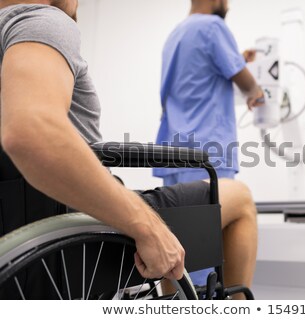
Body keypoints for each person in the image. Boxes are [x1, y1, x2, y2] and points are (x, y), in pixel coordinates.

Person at [0, 0, 257, 299]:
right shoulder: (42, 21)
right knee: (239, 199)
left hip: (18, 240)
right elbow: (32, 133)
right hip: (73, 248)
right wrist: (146, 225)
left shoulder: (177, 35)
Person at [154, 0, 265, 186]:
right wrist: (256, 91)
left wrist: (237, 59)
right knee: (231, 209)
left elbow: (196, 76)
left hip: (172, 156)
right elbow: (246, 84)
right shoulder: (213, 27)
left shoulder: (175, 35)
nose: (228, 6)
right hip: (207, 154)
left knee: (178, 216)